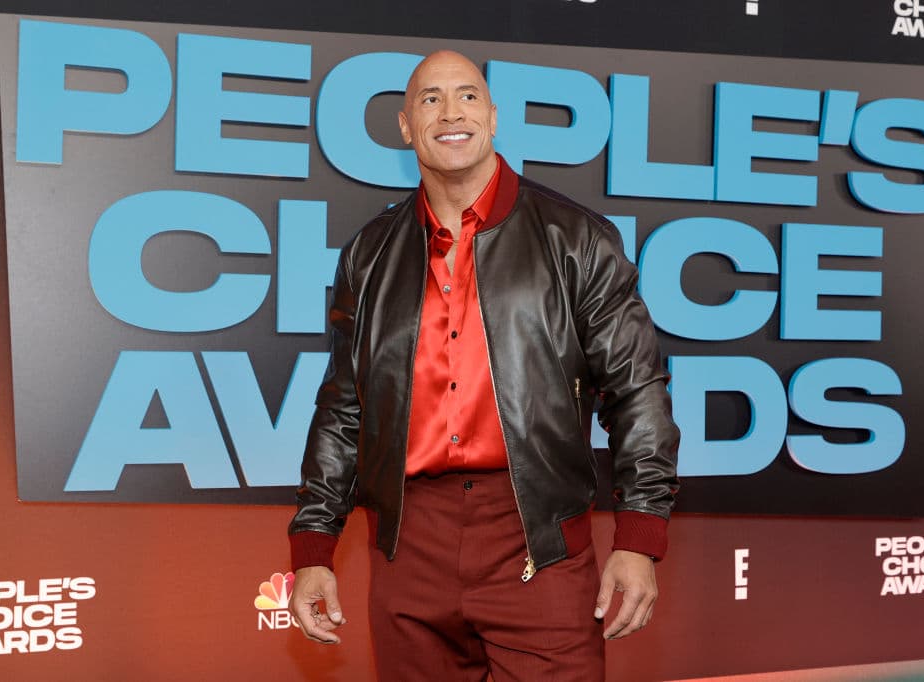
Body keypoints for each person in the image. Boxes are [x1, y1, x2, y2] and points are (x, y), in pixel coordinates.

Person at [288, 50, 679, 681]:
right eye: (430, 99)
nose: (451, 113)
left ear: (493, 117)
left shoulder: (576, 238)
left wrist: (638, 536)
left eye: (468, 96)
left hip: (536, 540)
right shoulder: (369, 253)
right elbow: (343, 407)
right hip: (408, 544)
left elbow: (638, 393)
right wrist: (314, 544)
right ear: (405, 127)